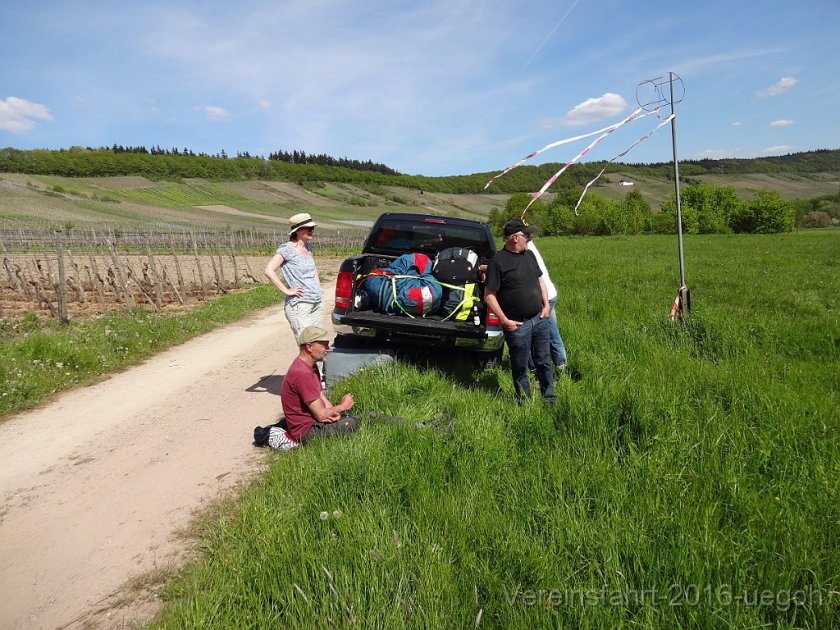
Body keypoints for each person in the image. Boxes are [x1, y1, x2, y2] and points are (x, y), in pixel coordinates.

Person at [483, 218, 554, 403]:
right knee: (520, 366)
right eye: (526, 236)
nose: (529, 239)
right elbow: (489, 295)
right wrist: (505, 321)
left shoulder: (529, 255)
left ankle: (549, 398)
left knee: (543, 361)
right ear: (515, 238)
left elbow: (540, 281)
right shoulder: (497, 262)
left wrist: (546, 305)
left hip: (539, 318)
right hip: (517, 325)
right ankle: (524, 401)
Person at [280, 326, 360, 445]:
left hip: (315, 422)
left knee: (361, 419)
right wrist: (343, 406)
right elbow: (321, 414)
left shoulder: (311, 366)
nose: (328, 349)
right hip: (307, 432)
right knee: (362, 422)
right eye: (324, 345)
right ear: (309, 347)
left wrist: (334, 413)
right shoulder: (302, 374)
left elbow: (321, 397)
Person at [264, 212, 325, 344]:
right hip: (300, 305)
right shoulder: (287, 249)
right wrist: (287, 291)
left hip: (316, 302)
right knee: (308, 346)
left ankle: (319, 366)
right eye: (308, 229)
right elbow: (269, 270)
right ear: (297, 231)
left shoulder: (308, 247)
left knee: (319, 345)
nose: (311, 231)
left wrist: (318, 288)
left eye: (312, 228)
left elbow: (313, 270)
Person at [527, 239, 568, 371]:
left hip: (544, 298)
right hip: (547, 296)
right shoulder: (528, 244)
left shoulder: (526, 251)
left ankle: (559, 367)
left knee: (549, 334)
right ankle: (558, 366)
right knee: (550, 333)